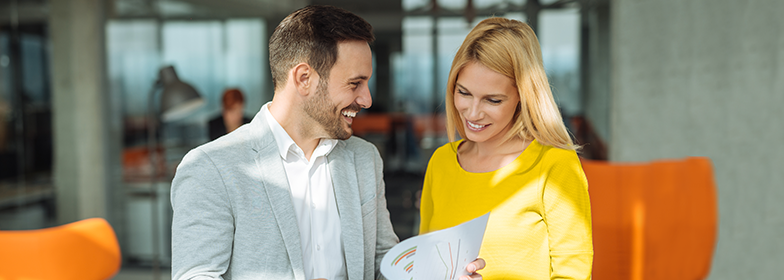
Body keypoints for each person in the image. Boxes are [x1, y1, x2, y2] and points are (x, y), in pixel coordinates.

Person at [171, 5, 485, 280]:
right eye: (355, 84)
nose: (367, 98)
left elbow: (383, 265)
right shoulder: (210, 169)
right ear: (304, 79)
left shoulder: (364, 159)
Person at [418, 17, 593, 279]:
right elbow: (427, 268)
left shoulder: (554, 166)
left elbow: (574, 274)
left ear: (522, 95)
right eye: (463, 93)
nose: (473, 113)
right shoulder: (441, 161)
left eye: (493, 100)